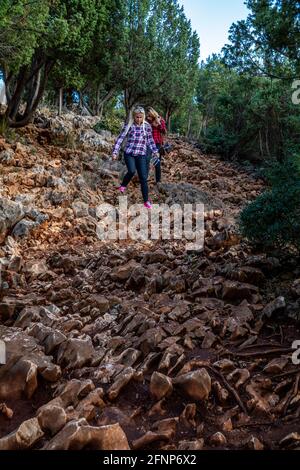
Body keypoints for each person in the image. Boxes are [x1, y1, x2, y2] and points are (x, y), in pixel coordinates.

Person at [112, 106, 159, 209]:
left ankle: (146, 201)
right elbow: (120, 139)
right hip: (129, 153)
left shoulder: (147, 127)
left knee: (143, 178)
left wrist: (155, 151)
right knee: (132, 171)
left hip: (141, 154)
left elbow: (150, 141)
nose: (139, 119)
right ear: (134, 117)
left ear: (143, 117)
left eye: (140, 117)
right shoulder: (129, 126)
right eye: (137, 117)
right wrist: (115, 152)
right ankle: (123, 185)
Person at [146, 107, 167, 184]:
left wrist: (158, 124)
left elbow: (164, 131)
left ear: (153, 113)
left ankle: (158, 181)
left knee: (157, 162)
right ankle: (144, 178)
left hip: (158, 143)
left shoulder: (160, 120)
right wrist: (151, 124)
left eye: (149, 115)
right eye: (147, 115)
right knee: (147, 159)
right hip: (148, 143)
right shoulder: (146, 121)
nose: (148, 116)